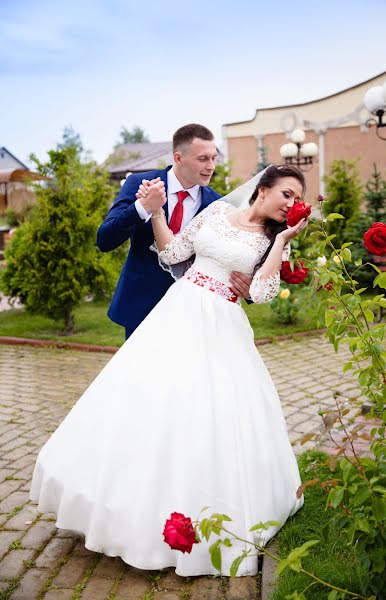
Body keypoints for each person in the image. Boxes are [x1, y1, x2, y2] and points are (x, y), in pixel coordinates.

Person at [30, 164, 307, 577]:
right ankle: (121, 507)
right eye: (286, 193)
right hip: (179, 310)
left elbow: (265, 294)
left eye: (296, 198)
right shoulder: (214, 212)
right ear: (262, 189)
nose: (292, 204)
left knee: (208, 412)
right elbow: (174, 253)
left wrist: (282, 241)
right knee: (148, 399)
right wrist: (157, 212)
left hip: (222, 325)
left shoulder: (273, 238)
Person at [97, 123, 252, 339]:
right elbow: (105, 240)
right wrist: (143, 207)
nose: (211, 166)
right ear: (178, 158)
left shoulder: (218, 205)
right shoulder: (139, 184)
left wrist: (249, 290)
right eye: (202, 159)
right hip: (142, 308)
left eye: (213, 158)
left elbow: (228, 255)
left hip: (193, 312)